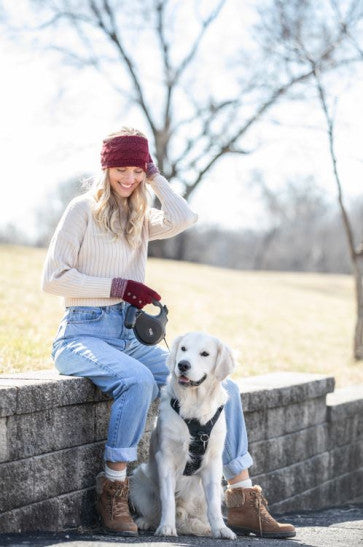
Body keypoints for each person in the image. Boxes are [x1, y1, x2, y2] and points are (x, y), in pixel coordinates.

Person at [41, 127, 295, 539]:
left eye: (136, 171)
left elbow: (184, 218)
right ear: (105, 169)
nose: (128, 179)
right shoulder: (80, 210)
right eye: (120, 169)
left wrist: (155, 176)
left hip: (127, 337)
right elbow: (53, 279)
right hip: (81, 335)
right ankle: (114, 489)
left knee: (219, 384)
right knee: (138, 381)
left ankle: (243, 497)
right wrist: (120, 288)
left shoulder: (140, 217)